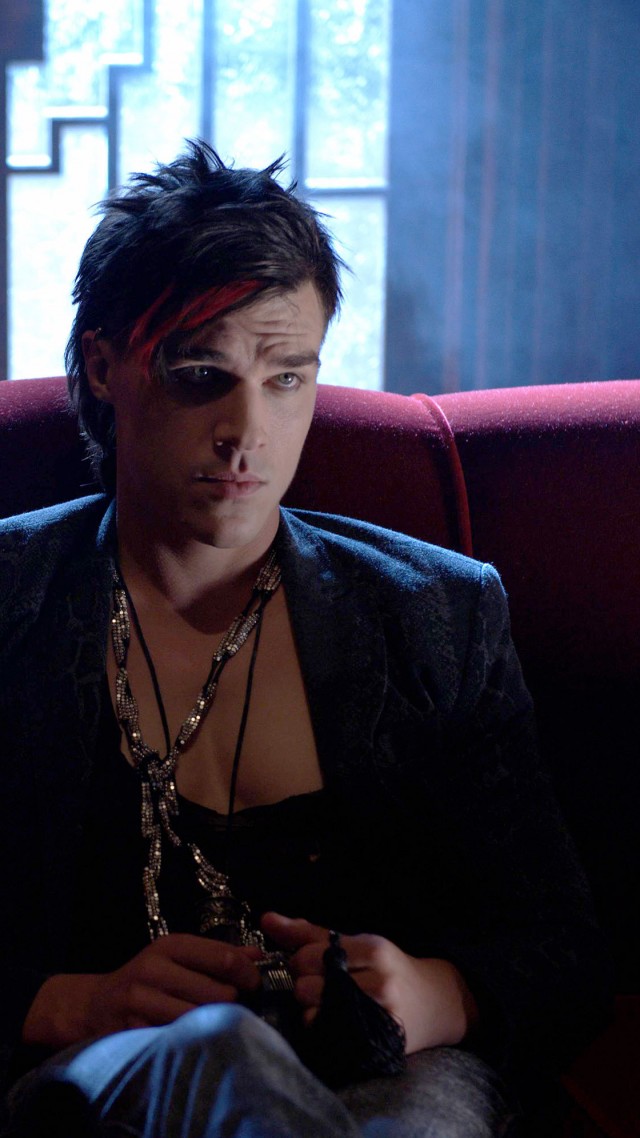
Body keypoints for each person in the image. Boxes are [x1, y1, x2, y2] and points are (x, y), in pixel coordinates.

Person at [0, 141, 610, 1138]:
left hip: (385, 1082)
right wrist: (69, 1002)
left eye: (287, 378)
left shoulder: (434, 615)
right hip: (103, 1078)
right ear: (105, 365)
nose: (247, 431)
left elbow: (563, 947)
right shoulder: (14, 598)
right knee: (217, 1054)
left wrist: (438, 991)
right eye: (201, 375)